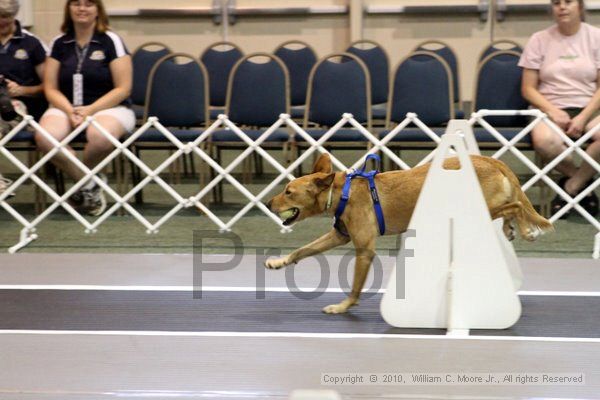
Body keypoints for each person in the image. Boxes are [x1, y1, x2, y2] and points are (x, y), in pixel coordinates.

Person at [35, 0, 134, 216]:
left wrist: (90, 110)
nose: (82, 9)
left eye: (88, 4)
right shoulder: (59, 43)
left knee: (99, 135)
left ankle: (85, 184)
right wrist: (70, 110)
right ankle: (90, 184)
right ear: (68, 9)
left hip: (111, 107)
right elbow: (50, 88)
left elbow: (123, 89)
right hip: (66, 106)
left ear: (98, 10)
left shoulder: (111, 41)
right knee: (45, 137)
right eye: (76, 4)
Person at [519, 0, 600, 217]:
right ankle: (584, 184)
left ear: (580, 7)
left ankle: (571, 187)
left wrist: (582, 117)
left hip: (588, 107)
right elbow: (528, 89)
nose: (562, 7)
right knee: (545, 142)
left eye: (568, 2)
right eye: (556, 3)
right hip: (548, 108)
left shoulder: (596, 37)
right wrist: (552, 111)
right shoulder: (539, 39)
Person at [0, 0, 48, 198]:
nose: (1, 21)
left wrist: (22, 90)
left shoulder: (32, 43)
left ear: (15, 16)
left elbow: (49, 86)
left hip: (22, 109)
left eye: (6, 17)